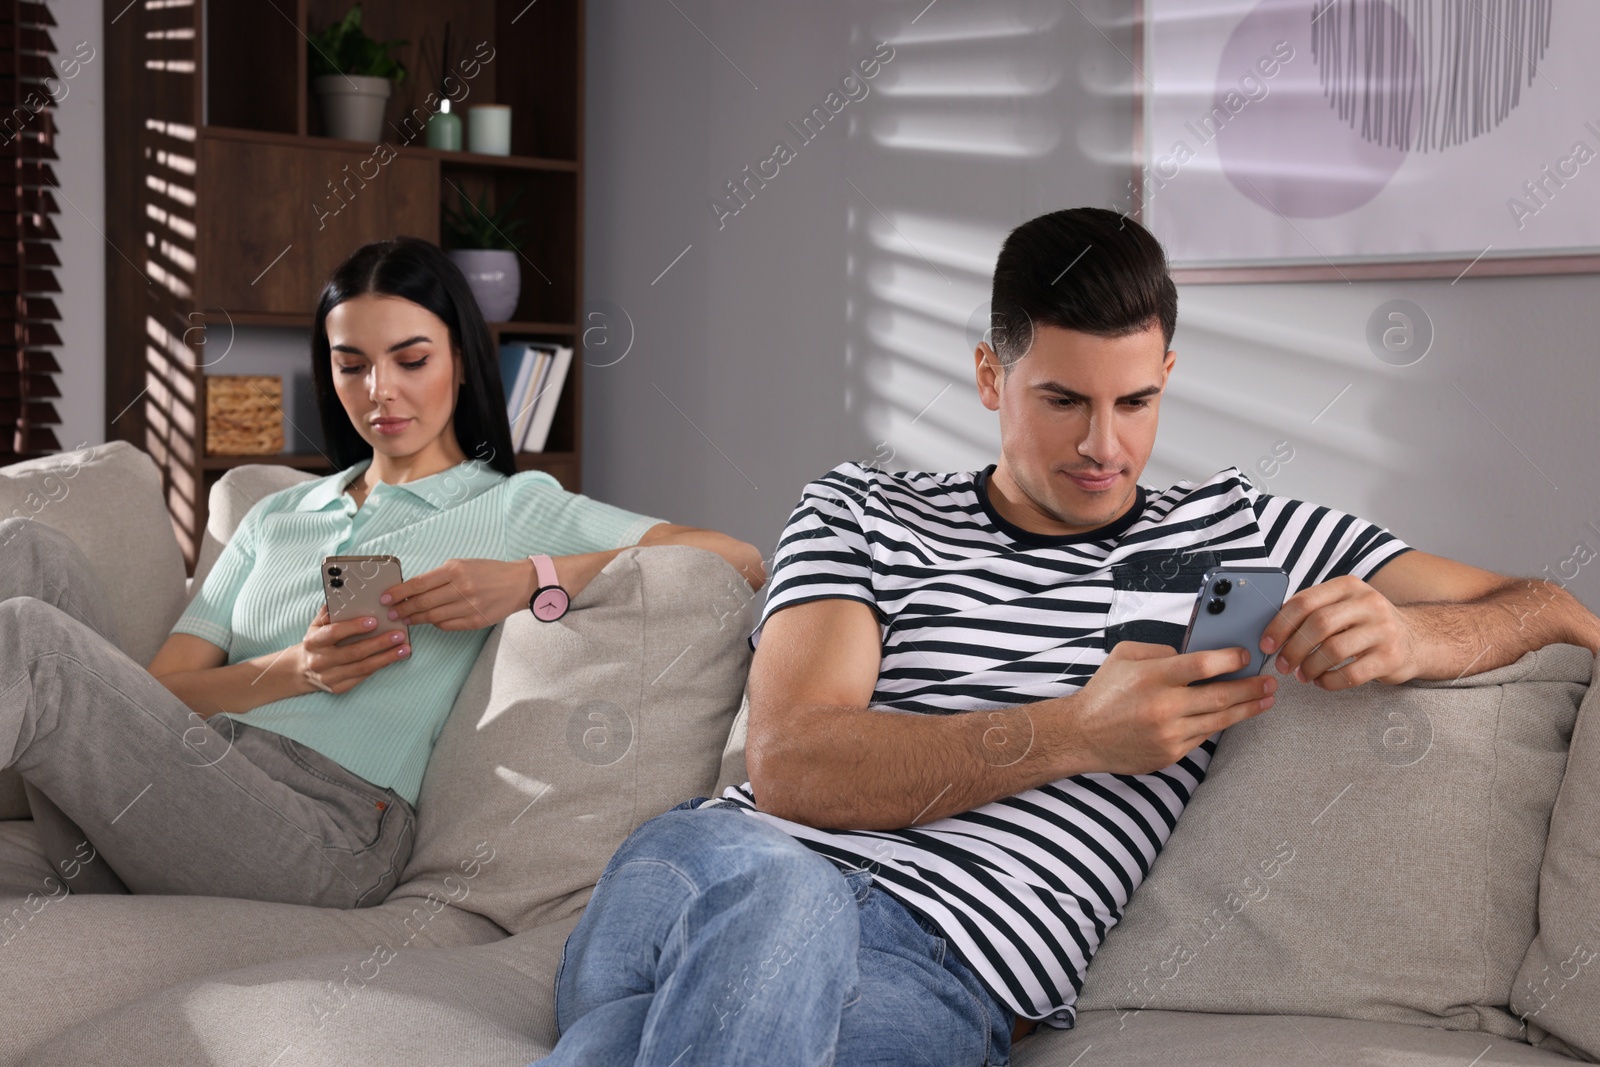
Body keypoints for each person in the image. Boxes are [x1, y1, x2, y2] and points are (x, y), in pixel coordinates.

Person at [535, 207, 1600, 1067]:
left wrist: (1417, 640)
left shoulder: (1237, 532)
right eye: (1061, 400)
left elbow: (1544, 602)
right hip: (725, 875)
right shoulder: (863, 509)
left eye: (1135, 401)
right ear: (992, 376)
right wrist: (1077, 732)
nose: (1105, 445)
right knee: (785, 899)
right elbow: (792, 768)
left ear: (1167, 378)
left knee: (626, 1046)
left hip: (947, 976)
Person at [1, 235, 764, 907]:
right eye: (352, 365)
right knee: (29, 549)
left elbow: (732, 556)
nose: (381, 392)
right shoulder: (277, 515)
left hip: (330, 828)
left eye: (411, 359)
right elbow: (159, 689)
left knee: (32, 642)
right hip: (187, 793)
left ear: (461, 360)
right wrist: (293, 669)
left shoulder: (512, 506)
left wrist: (528, 577)